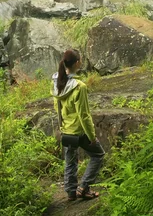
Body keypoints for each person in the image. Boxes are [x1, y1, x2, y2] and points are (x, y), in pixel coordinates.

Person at [52, 49, 104, 201]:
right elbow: (84, 115)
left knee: (70, 161)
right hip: (79, 131)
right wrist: (91, 136)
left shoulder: (56, 81)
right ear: (77, 63)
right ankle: (84, 187)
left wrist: (62, 127)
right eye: (80, 60)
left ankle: (70, 192)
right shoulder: (79, 86)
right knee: (98, 155)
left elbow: (57, 108)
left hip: (66, 131)